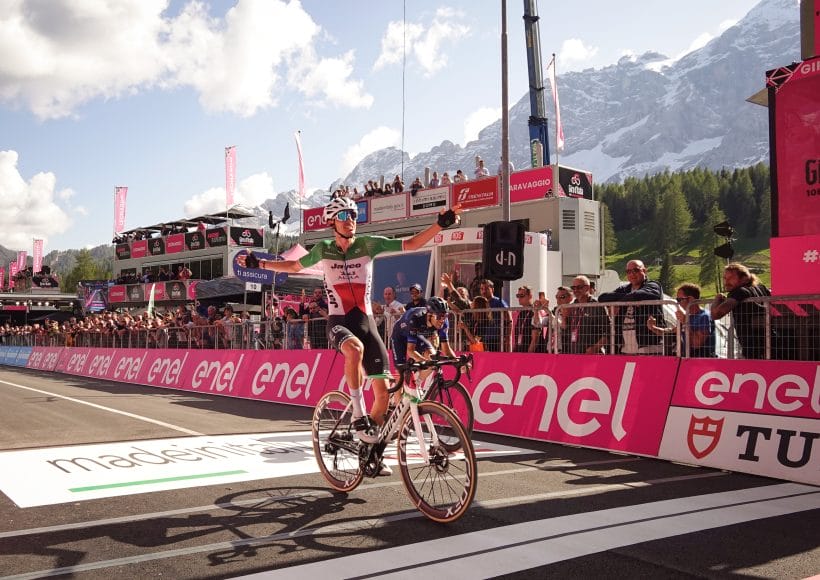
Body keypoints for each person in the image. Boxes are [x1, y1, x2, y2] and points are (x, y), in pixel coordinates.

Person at [238, 196, 462, 462]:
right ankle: (357, 413)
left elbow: (411, 243)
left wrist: (440, 224)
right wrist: (260, 264)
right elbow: (293, 266)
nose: (350, 221)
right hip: (339, 321)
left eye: (354, 216)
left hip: (366, 322)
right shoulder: (324, 248)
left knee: (383, 396)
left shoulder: (368, 244)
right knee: (354, 350)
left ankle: (369, 451)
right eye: (344, 216)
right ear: (332, 222)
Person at [597, 260, 665, 355]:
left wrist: (619, 300)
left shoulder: (653, 285)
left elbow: (643, 294)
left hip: (649, 344)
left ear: (644, 271)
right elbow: (602, 297)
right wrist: (628, 299)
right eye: (628, 271)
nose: (632, 274)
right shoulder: (624, 289)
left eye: (636, 270)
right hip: (626, 347)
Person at [710, 262, 772, 359]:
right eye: (725, 278)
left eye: (731, 278)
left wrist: (717, 299)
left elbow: (716, 314)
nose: (726, 282)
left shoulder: (739, 291)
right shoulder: (761, 288)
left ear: (744, 278)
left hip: (753, 346)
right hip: (771, 341)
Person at [648, 282, 715, 357]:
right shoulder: (688, 317)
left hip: (702, 360)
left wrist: (685, 322)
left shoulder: (704, 316)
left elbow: (696, 344)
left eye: (679, 299)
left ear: (690, 299)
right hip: (689, 359)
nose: (678, 303)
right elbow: (670, 332)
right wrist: (653, 327)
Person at [563, 275, 609, 354]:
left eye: (579, 287)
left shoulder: (597, 306)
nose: (576, 290)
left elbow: (608, 332)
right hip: (574, 352)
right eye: (573, 288)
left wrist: (595, 348)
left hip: (592, 354)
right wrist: (564, 318)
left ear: (587, 288)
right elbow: (565, 329)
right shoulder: (572, 306)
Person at [513, 285, 541, 353]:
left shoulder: (534, 312)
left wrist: (529, 354)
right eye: (518, 296)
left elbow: (535, 338)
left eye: (522, 295)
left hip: (530, 352)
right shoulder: (521, 313)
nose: (519, 298)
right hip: (520, 350)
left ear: (530, 296)